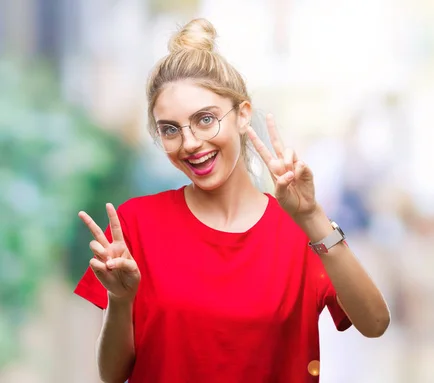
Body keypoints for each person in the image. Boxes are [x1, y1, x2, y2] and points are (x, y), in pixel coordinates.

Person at [73, 18, 390, 383]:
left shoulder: (301, 231)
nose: (190, 143)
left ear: (242, 115)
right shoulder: (134, 225)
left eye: (205, 119)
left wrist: (312, 215)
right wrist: (121, 299)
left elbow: (375, 323)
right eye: (170, 129)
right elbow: (111, 376)